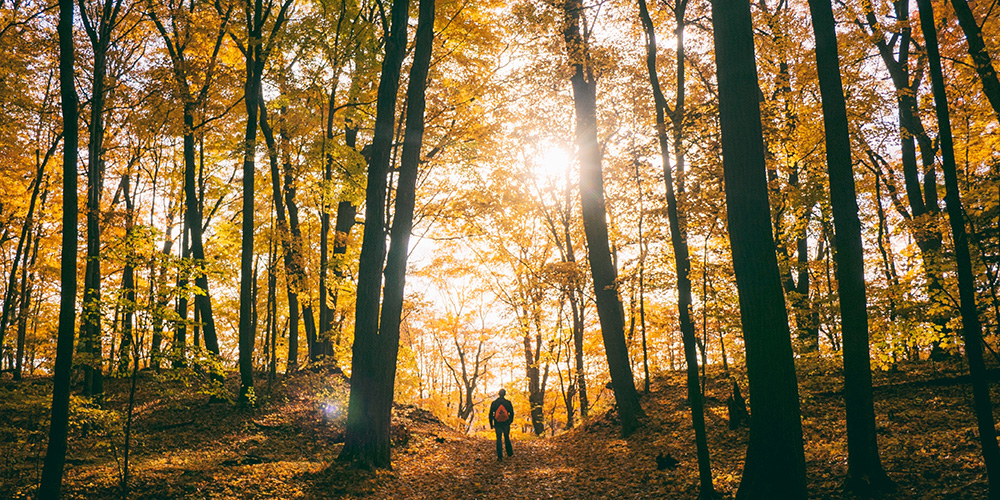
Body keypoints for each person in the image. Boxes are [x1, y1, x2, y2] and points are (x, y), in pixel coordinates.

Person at [489, 388, 514, 461]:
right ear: (505, 394)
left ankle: (500, 456)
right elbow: (512, 413)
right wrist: (510, 421)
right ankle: (509, 453)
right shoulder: (508, 403)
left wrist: (491, 424)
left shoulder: (494, 403)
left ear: (498, 394)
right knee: (506, 437)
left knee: (499, 439)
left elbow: (490, 414)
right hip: (506, 423)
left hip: (497, 423)